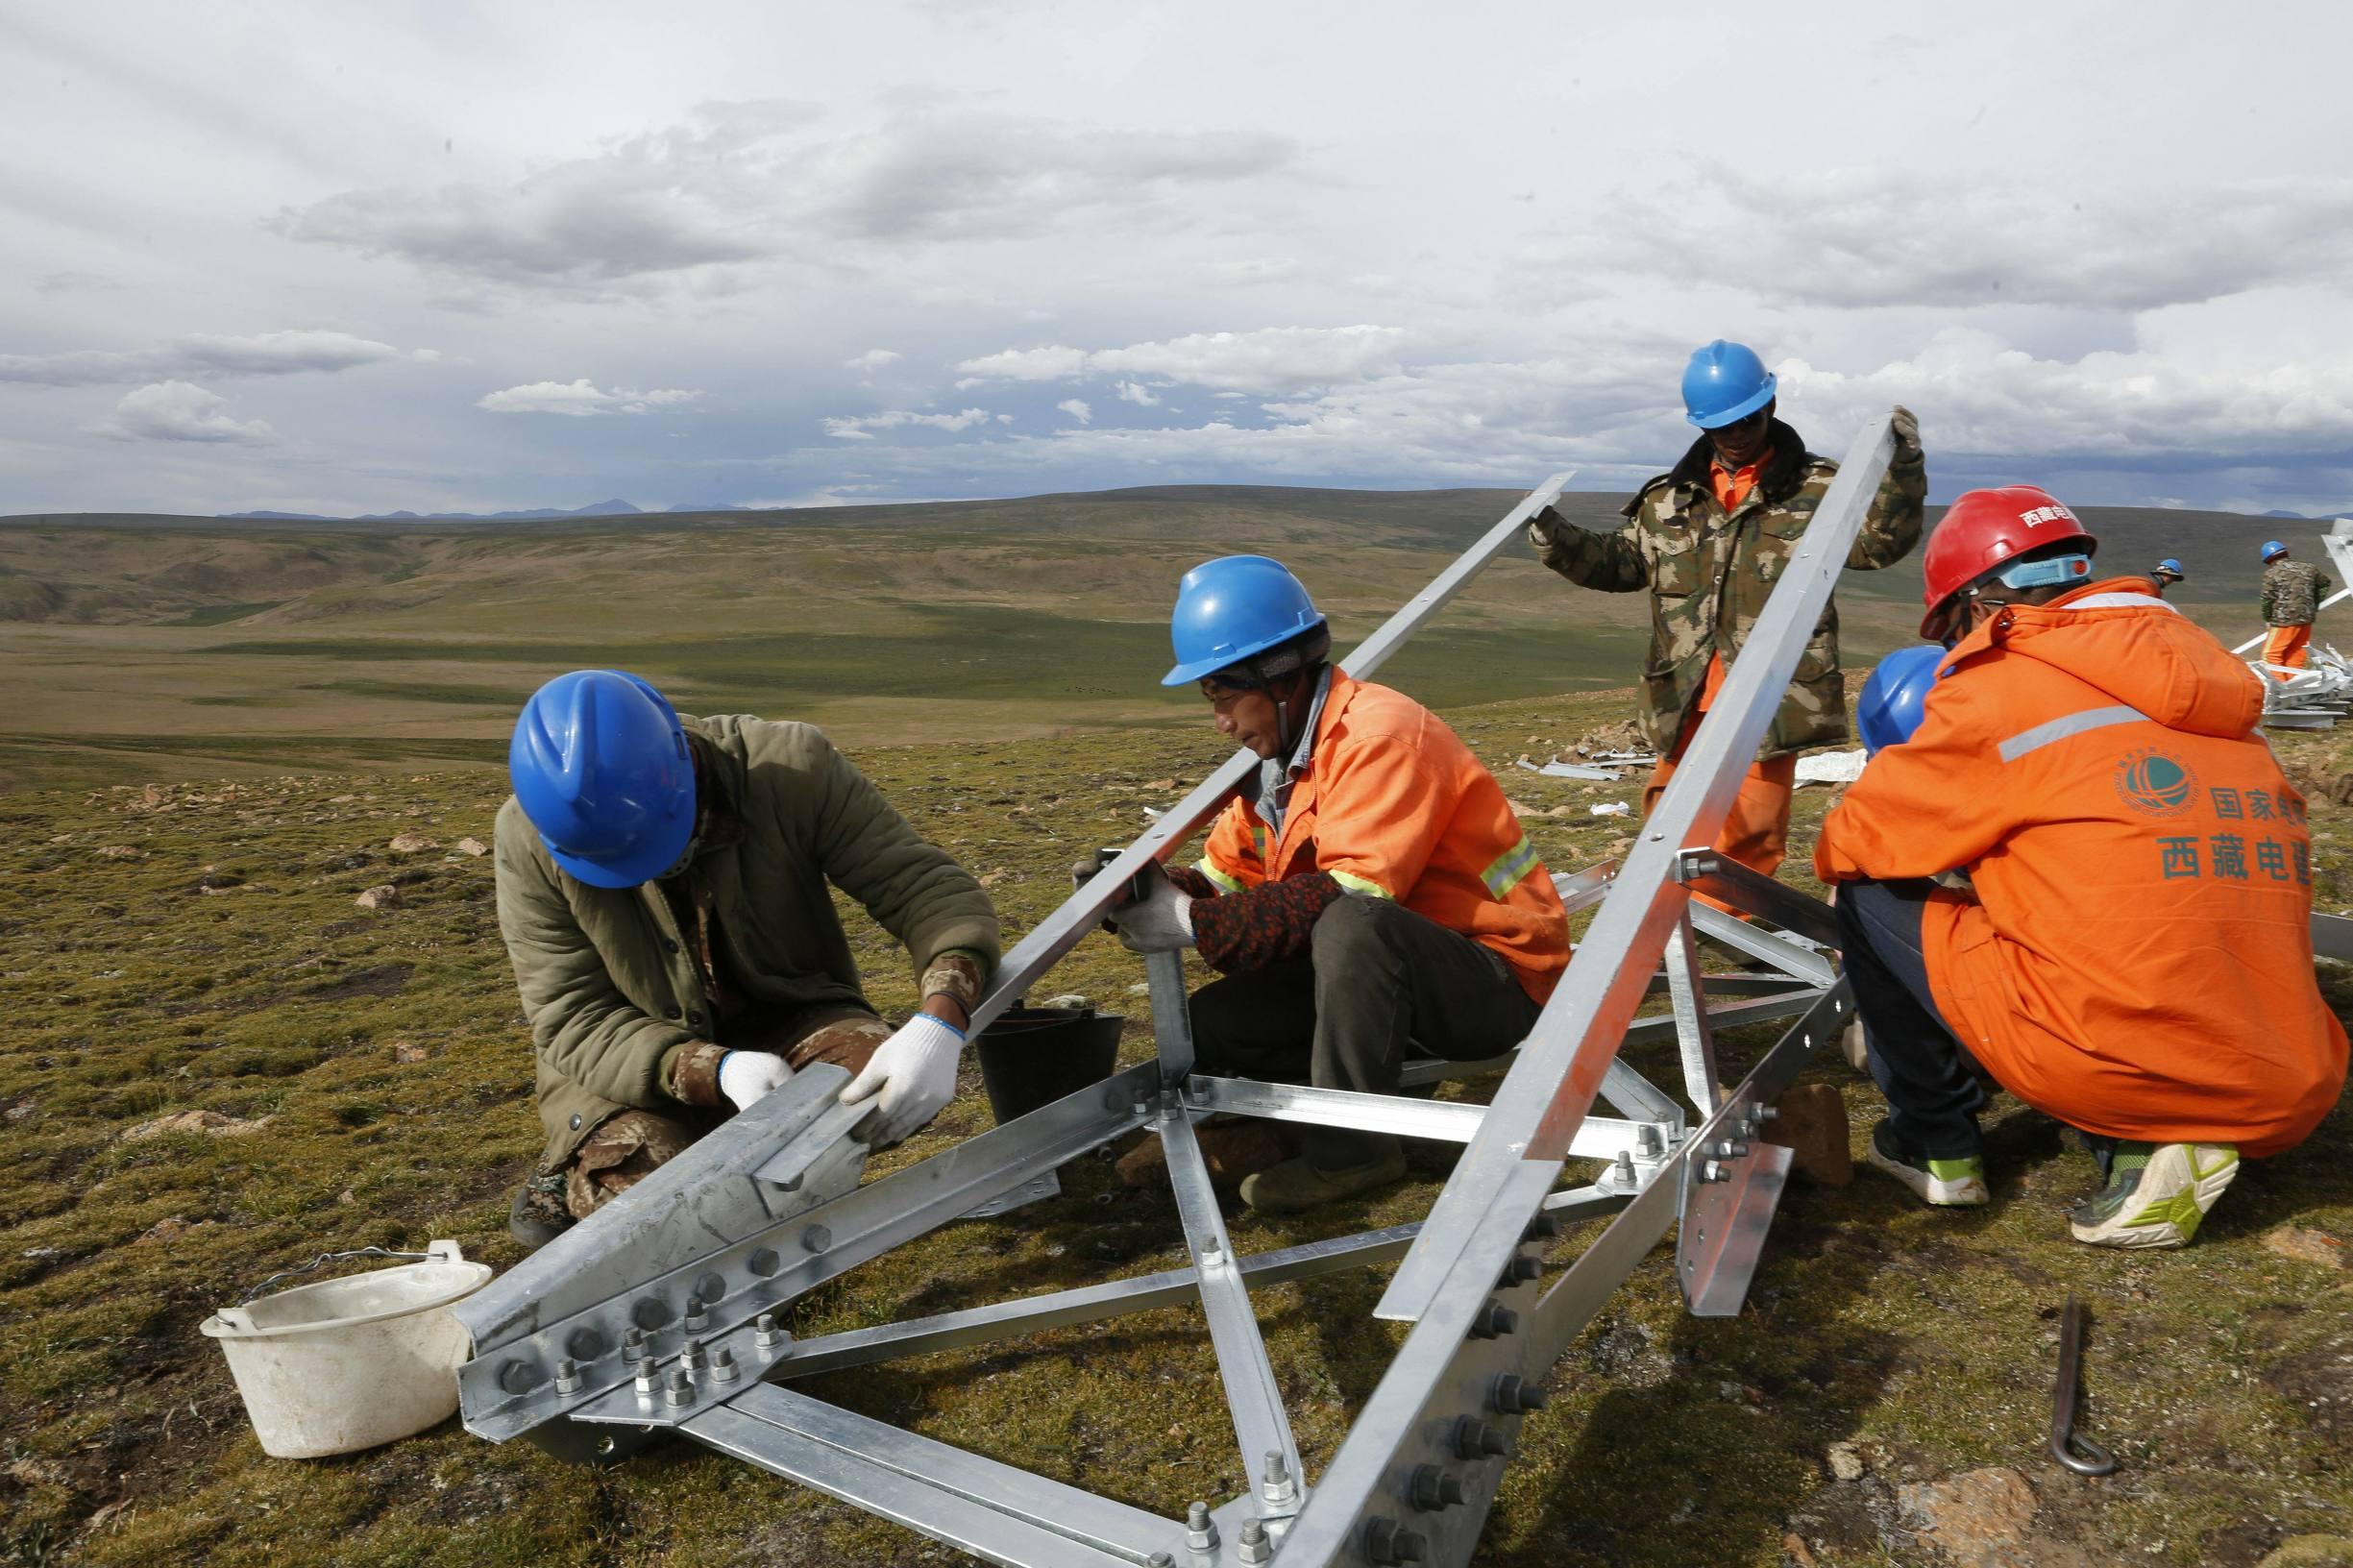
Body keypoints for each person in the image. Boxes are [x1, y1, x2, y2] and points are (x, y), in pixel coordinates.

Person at [1816, 486, 2346, 1248]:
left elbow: (1855, 841)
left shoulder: (1996, 689)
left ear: (1976, 603)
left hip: (2123, 1051)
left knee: (1866, 894)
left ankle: (1934, 1143)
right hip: (2291, 1070)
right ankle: (2142, 1144)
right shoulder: (2212, 698)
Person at [1093, 556, 1570, 1213]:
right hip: (1386, 986)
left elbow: (1354, 895)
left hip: (1493, 979)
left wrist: (1188, 923)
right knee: (1218, 1023)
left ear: (1277, 677)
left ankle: (1354, 1156)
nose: (1221, 723)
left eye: (1222, 696)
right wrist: (1151, 889)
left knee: (1352, 922)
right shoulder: (1279, 767)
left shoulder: (1380, 736)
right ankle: (1348, 1115)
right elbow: (1225, 875)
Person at [494, 670, 999, 1249]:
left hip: (792, 1017)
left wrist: (940, 1022)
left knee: (874, 1088)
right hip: (635, 1065)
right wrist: (712, 1069)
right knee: (663, 1216)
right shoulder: (529, 838)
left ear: (684, 766)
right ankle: (568, 1178)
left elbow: (924, 888)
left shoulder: (792, 771)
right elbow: (571, 1016)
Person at [1528, 339, 1926, 897]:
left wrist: (1903, 469)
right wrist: (1554, 536)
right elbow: (1621, 564)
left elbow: (1878, 546)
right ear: (1701, 427)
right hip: (1685, 691)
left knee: (1751, 830)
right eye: (1721, 426)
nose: (1736, 435)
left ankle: (1729, 933)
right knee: (1669, 814)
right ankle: (1666, 916)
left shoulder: (1820, 489)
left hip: (1773, 694)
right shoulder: (1667, 500)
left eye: (1747, 419)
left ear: (1770, 405)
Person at [2259, 540, 2330, 677]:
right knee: (2295, 652)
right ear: (2286, 553)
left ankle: (2281, 690)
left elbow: (2266, 599)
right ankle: (2294, 686)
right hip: (2306, 619)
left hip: (2283, 620)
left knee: (2270, 655)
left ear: (2269, 560)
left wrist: (2267, 618)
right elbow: (2324, 583)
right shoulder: (2309, 568)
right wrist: (2314, 603)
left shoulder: (2272, 573)